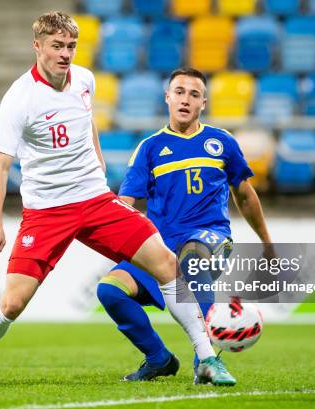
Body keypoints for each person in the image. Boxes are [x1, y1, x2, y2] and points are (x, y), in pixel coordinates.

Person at [0, 12, 231, 389]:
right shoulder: (19, 99)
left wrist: (97, 162)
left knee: (166, 262)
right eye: (57, 46)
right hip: (47, 212)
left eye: (71, 46)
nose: (65, 54)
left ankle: (208, 359)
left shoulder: (84, 79)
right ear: (37, 47)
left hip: (96, 200)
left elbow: (87, 120)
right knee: (13, 302)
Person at [96, 68, 274, 384]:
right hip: (161, 246)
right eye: (179, 91)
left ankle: (204, 361)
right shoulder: (149, 148)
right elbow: (126, 205)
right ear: (167, 97)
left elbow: (244, 195)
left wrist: (267, 242)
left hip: (212, 237)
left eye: (194, 94)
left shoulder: (221, 141)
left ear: (203, 103)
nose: (185, 99)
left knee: (194, 255)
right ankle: (158, 358)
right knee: (110, 291)